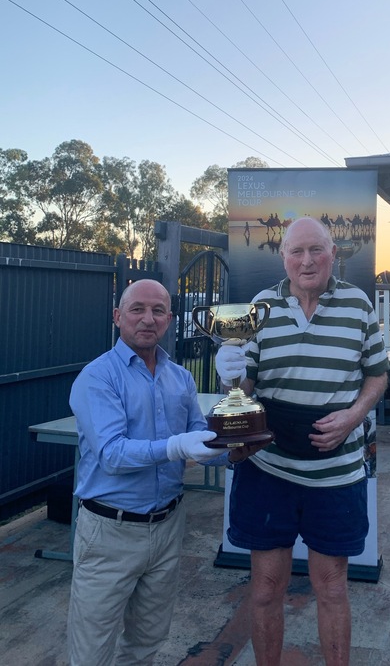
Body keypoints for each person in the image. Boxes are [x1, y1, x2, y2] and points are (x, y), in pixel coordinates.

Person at [215, 216, 389, 666]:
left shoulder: (358, 305)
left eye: (316, 250)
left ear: (334, 253)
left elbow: (377, 375)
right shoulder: (261, 306)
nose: (307, 261)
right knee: (265, 587)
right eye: (297, 251)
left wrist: (353, 416)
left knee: (331, 587)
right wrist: (230, 374)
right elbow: (245, 388)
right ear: (283, 257)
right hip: (268, 470)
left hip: (335, 474)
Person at [67, 279, 243, 666]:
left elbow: (202, 443)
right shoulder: (98, 377)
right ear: (118, 317)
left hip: (167, 527)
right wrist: (175, 447)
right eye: (137, 309)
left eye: (158, 311)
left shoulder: (180, 377)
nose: (148, 319)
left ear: (170, 319)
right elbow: (111, 454)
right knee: (92, 649)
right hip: (110, 532)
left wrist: (235, 450)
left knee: (147, 643)